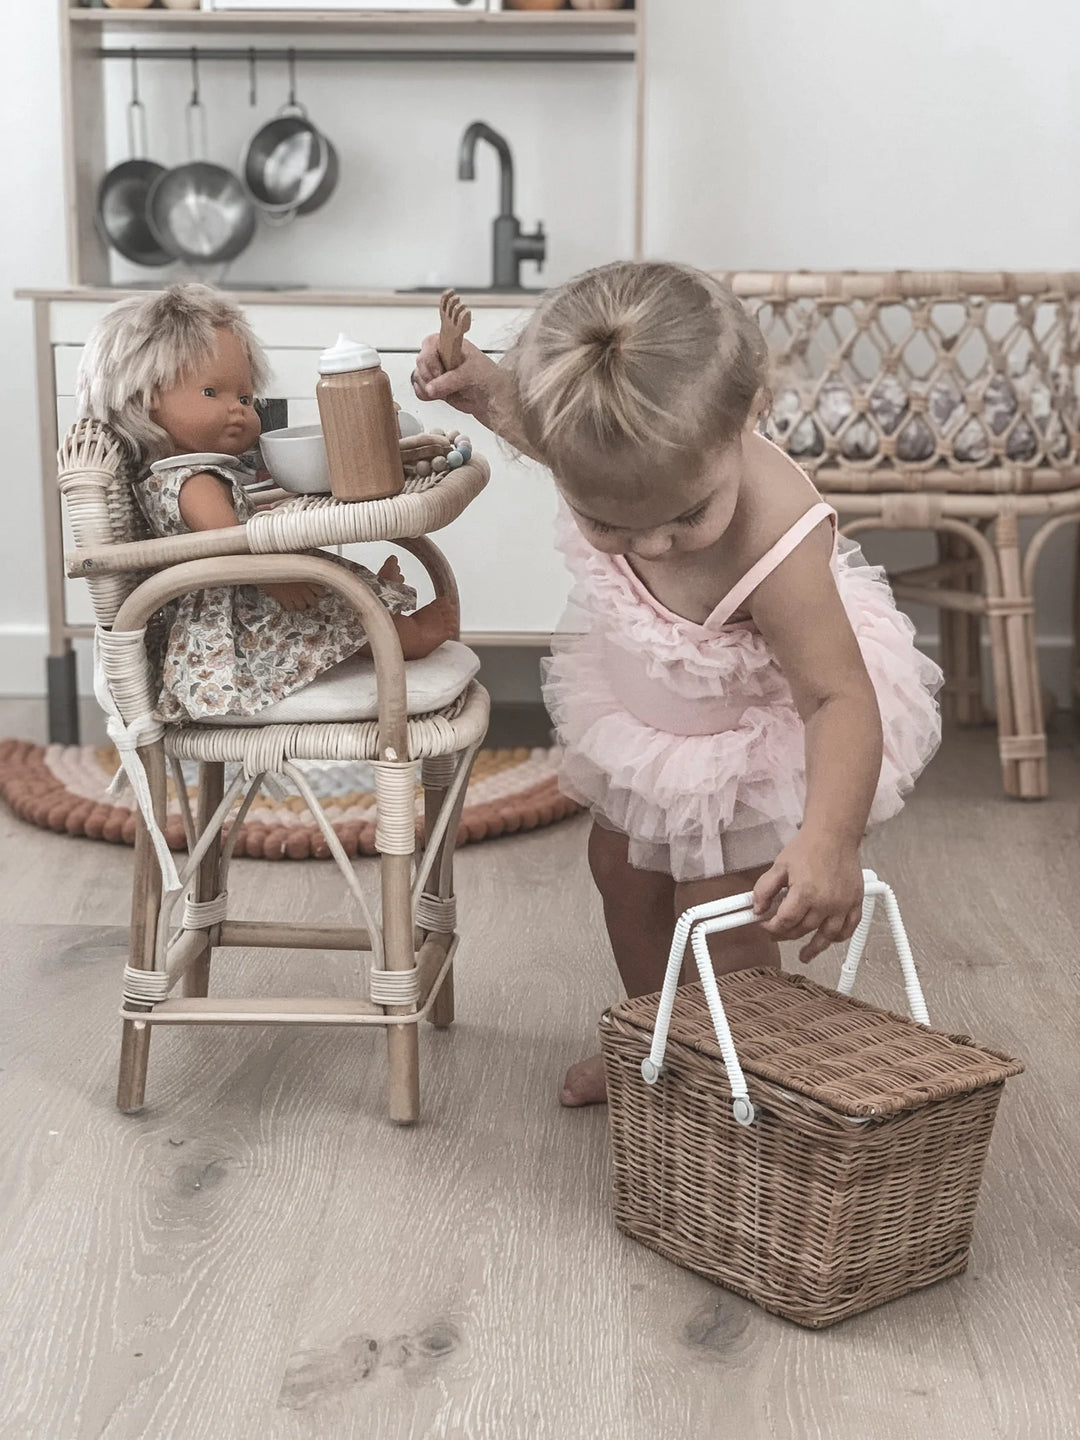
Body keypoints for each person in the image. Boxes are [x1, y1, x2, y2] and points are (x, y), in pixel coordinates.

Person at [412, 261, 942, 1107]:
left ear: (747, 419)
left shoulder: (778, 541)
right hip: (656, 726)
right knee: (622, 874)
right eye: (610, 524)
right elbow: (537, 419)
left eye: (687, 516)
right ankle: (657, 1052)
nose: (653, 547)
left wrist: (830, 842)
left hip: (748, 743)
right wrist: (483, 390)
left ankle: (746, 1085)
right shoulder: (607, 444)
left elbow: (837, 698)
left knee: (722, 913)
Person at [77, 283, 456, 724]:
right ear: (148, 398)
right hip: (241, 606)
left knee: (330, 584)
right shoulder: (193, 481)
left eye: (244, 398)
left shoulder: (194, 472)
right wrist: (277, 580)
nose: (238, 410)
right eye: (211, 394)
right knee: (328, 599)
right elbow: (234, 544)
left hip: (249, 585)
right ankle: (405, 634)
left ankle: (378, 599)